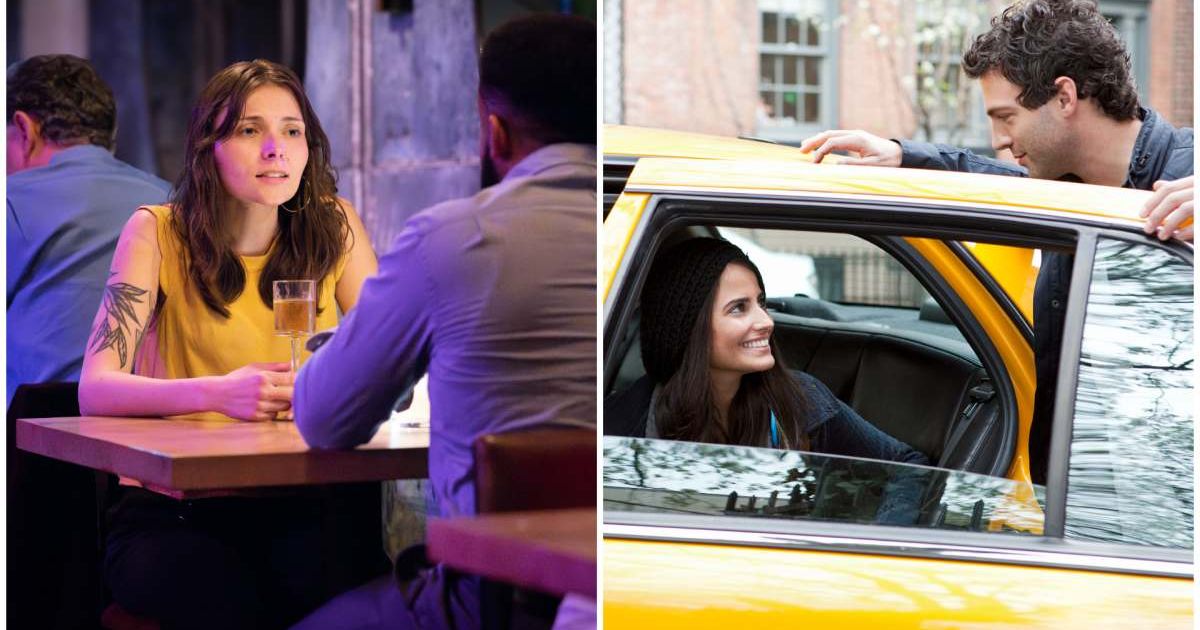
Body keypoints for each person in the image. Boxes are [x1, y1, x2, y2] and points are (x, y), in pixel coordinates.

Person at [798, 0, 1192, 484]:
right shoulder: (1069, 189)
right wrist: (903, 156)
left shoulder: (1186, 182)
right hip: (1092, 492)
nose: (999, 139)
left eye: (1006, 116)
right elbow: (994, 179)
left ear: (1064, 97)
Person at [290, 13, 596, 630]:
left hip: (493, 603)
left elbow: (324, 415)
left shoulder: (453, 238)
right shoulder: (641, 226)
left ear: (495, 131)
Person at [78, 59, 377, 629]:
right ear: (206, 147)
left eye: (292, 131)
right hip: (175, 513)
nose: (276, 149)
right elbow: (95, 388)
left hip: (302, 503)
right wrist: (220, 393)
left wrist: (332, 384)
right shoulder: (158, 231)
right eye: (249, 130)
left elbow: (396, 362)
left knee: (360, 580)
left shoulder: (334, 227)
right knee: (231, 595)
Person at [605, 237, 928, 471]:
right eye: (738, 309)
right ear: (687, 329)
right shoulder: (617, 427)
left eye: (761, 303)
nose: (765, 322)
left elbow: (908, 467)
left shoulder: (799, 400)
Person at [7, 54, 171, 405]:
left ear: (24, 129)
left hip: (38, 430)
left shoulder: (11, 201)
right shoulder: (171, 200)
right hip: (148, 421)